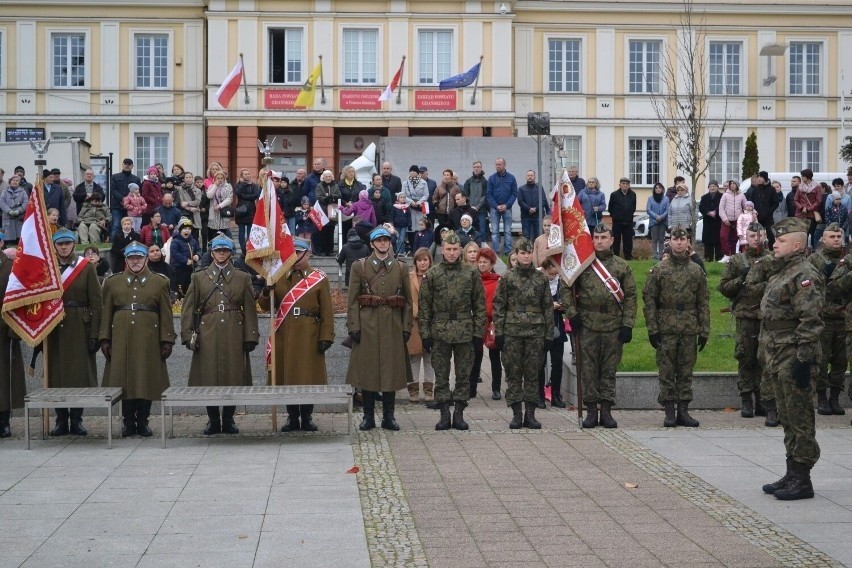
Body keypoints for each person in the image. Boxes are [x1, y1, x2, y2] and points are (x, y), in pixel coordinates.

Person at [759, 217, 824, 500]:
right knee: (787, 416)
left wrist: (804, 359)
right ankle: (791, 472)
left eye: (781, 240)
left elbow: (810, 320)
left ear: (797, 245)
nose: (775, 244)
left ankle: (803, 478)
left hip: (794, 354)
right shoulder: (781, 273)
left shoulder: (804, 275)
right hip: (777, 352)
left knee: (800, 418)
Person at [180, 235, 259, 435]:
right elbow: (189, 308)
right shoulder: (199, 277)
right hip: (207, 331)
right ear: (212, 253)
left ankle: (229, 419)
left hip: (234, 331)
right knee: (208, 376)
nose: (221, 253)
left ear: (231, 253)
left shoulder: (243, 277)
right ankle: (213, 420)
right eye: (218, 250)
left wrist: (251, 335)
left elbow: (249, 308)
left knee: (233, 375)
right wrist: (188, 334)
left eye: (225, 250)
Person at [100, 241, 176, 437]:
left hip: (148, 338)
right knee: (124, 380)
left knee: (145, 378)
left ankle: (143, 421)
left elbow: (166, 313)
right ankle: (127, 422)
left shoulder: (160, 282)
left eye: (139, 258)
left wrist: (167, 339)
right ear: (126, 260)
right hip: (120, 338)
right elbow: (106, 312)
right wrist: (105, 339)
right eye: (131, 258)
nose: (135, 261)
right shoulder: (112, 282)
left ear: (146, 259)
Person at [564, 224, 637, 427]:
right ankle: (590, 411)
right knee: (588, 370)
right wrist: (572, 315)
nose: (599, 241)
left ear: (612, 240)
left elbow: (630, 297)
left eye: (604, 237)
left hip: (613, 325)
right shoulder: (582, 264)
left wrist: (628, 324)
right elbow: (565, 288)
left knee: (608, 370)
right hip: (587, 325)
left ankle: (606, 410)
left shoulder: (621, 267)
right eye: (596, 237)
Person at [259, 237, 334, 432]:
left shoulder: (319, 278)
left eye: (300, 253)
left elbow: (327, 310)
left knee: (307, 376)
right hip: (285, 332)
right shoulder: (278, 276)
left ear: (308, 254)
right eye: (292, 253)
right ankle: (292, 417)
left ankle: (307, 416)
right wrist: (266, 292)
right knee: (287, 375)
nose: (296, 257)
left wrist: (326, 335)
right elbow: (266, 306)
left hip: (309, 332)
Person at [418, 230, 486, 430]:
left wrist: (478, 333)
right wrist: (425, 334)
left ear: (460, 250)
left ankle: (459, 413)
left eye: (455, 249)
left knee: (464, 375)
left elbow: (479, 304)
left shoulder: (471, 272)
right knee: (441, 374)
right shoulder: (432, 274)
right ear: (442, 249)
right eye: (448, 249)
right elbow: (424, 307)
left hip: (465, 330)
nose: (452, 253)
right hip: (440, 331)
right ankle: (444, 414)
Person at [346, 227, 413, 430]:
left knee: (390, 372)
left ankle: (389, 417)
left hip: (392, 323)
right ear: (372, 244)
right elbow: (352, 300)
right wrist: (354, 326)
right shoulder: (360, 267)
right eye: (379, 240)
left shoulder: (400, 268)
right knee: (368, 372)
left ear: (390, 243)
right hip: (368, 324)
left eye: (386, 240)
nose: (383, 244)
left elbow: (408, 301)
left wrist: (406, 326)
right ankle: (368, 417)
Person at [643, 225, 710, 427]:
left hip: (689, 327)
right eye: (675, 239)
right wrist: (652, 329)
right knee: (666, 370)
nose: (679, 243)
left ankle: (684, 410)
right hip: (666, 327)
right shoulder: (659, 270)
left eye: (683, 239)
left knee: (685, 370)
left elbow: (703, 302)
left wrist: (704, 330)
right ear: (669, 241)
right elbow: (649, 301)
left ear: (688, 242)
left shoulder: (696, 270)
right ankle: (669, 410)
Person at [45, 229, 103, 436]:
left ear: (73, 245)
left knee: (79, 375)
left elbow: (97, 302)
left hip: (80, 325)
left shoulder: (85, 267)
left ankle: (77, 419)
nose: (63, 247)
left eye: (67, 244)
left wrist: (95, 333)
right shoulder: (47, 267)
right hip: (54, 325)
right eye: (60, 244)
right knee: (56, 374)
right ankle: (60, 420)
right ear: (54, 246)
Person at [492, 237, 551, 429]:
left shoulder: (541, 277)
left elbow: (547, 307)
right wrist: (499, 332)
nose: (526, 257)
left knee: (533, 374)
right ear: (516, 255)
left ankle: (531, 415)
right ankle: (517, 414)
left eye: (528, 253)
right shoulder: (508, 278)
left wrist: (548, 334)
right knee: (514, 374)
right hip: (512, 332)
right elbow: (499, 305)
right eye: (522, 253)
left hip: (535, 332)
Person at [719, 222, 773, 418]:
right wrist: (740, 279)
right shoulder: (737, 261)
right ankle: (746, 398)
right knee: (745, 357)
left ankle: (762, 398)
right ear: (745, 238)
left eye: (759, 236)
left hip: (767, 316)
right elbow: (723, 287)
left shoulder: (772, 259)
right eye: (752, 236)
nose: (756, 239)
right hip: (745, 316)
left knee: (764, 359)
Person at [807, 223, 847, 416]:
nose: (836, 240)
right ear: (823, 239)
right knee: (821, 359)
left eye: (839, 236)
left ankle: (835, 397)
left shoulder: (847, 259)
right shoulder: (815, 260)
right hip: (823, 317)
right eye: (832, 237)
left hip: (844, 318)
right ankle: (821, 397)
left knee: (841, 361)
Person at [0, 228, 25, 438]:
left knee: (4, 377)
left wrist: (14, 329)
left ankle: (3, 420)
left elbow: (19, 301)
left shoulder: (11, 268)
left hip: (4, 329)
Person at [537, 258, 570, 409]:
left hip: (557, 325)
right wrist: (550, 304)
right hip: (540, 327)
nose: (552, 277)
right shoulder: (537, 280)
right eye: (550, 274)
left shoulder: (562, 282)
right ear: (544, 270)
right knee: (539, 362)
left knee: (557, 362)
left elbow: (569, 301)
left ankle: (556, 393)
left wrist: (562, 306)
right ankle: (539, 395)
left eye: (555, 274)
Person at [472, 248, 504, 400]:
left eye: (485, 262)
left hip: (493, 322)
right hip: (478, 322)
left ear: (492, 264)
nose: (482, 265)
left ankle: (496, 388)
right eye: (480, 262)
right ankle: (471, 388)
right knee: (475, 356)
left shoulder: (498, 280)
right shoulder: (473, 279)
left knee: (494, 356)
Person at [407, 248, 435, 403]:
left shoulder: (435, 275)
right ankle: (413, 390)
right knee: (414, 358)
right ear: (415, 262)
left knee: (430, 358)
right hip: (414, 322)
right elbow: (406, 298)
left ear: (430, 261)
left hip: (432, 322)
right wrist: (417, 311)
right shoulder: (408, 277)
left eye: (425, 260)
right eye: (420, 260)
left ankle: (429, 389)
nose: (423, 263)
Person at [487, 157, 518, 254]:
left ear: (504, 165)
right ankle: (495, 251)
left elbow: (514, 193)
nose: (497, 166)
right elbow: (489, 194)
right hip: (494, 208)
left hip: (507, 208)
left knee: (508, 231)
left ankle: (507, 251)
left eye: (499, 164)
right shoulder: (491, 178)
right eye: (496, 164)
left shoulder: (511, 178)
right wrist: (496, 206)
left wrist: (507, 205)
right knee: (495, 231)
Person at [746, 171, 783, 248]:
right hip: (757, 217)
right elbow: (751, 203)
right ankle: (758, 251)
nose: (759, 179)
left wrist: (768, 212)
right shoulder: (755, 190)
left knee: (771, 235)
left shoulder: (771, 189)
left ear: (765, 178)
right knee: (757, 235)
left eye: (761, 177)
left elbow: (775, 203)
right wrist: (754, 212)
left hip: (768, 217)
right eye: (758, 177)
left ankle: (772, 252)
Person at [109, 158, 140, 239]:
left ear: (132, 166)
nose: (127, 165)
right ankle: (113, 244)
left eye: (129, 164)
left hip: (131, 207)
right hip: (117, 206)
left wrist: (129, 201)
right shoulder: (115, 177)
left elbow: (138, 192)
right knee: (116, 225)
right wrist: (123, 199)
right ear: (122, 164)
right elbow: (113, 190)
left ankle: (131, 242)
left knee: (130, 225)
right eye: (125, 163)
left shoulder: (136, 179)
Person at [794, 168, 823, 250]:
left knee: (813, 233)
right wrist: (801, 207)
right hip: (801, 214)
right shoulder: (800, 187)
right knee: (802, 234)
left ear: (808, 177)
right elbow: (795, 200)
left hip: (811, 214)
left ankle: (814, 251)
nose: (802, 177)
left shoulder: (817, 187)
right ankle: (802, 251)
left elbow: (818, 201)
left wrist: (808, 209)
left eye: (803, 176)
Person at [609, 177, 637, 260]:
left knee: (628, 240)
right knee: (616, 240)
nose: (625, 185)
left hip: (628, 222)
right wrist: (615, 216)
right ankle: (615, 256)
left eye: (627, 184)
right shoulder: (614, 195)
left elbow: (633, 207)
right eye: (623, 184)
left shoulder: (633, 194)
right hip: (617, 222)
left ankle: (628, 256)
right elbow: (610, 208)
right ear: (619, 185)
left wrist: (629, 215)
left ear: (629, 185)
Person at [518, 170, 550, 240]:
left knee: (539, 236)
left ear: (535, 177)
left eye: (531, 175)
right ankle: (527, 251)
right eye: (528, 175)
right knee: (526, 237)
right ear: (526, 177)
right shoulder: (521, 189)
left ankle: (538, 250)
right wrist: (529, 209)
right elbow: (520, 201)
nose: (530, 177)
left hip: (538, 216)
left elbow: (543, 200)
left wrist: (535, 208)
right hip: (526, 216)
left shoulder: (539, 188)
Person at [402, 165, 429, 250]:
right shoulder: (405, 183)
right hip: (410, 207)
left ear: (417, 173)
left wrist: (419, 202)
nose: (412, 172)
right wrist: (411, 202)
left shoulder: (423, 182)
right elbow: (403, 195)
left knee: (419, 227)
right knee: (410, 228)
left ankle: (420, 247)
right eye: (411, 171)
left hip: (420, 208)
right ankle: (411, 246)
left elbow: (426, 194)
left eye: (414, 171)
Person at [719, 180, 746, 262]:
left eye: (734, 184)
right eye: (731, 184)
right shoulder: (725, 195)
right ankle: (727, 254)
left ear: (737, 185)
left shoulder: (741, 195)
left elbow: (746, 205)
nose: (732, 185)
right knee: (723, 236)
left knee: (735, 238)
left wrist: (753, 212)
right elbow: (721, 208)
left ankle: (733, 255)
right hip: (727, 220)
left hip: (738, 220)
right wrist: (725, 219)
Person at [462, 161, 489, 242]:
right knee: (469, 229)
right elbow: (465, 196)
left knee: (482, 230)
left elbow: (485, 196)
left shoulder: (485, 181)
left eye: (478, 167)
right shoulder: (468, 181)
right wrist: (471, 206)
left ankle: (483, 248)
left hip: (482, 210)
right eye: (475, 167)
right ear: (473, 168)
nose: (476, 168)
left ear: (481, 168)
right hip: (470, 210)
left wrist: (477, 206)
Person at [0, 175, 29, 246]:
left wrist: (19, 210)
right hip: (7, 219)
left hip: (18, 219)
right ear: (10, 182)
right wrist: (9, 211)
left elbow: (26, 203)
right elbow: (1, 203)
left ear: (19, 183)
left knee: (19, 241)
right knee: (7, 240)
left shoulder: (23, 192)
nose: (15, 182)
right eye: (13, 180)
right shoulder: (4, 192)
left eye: (17, 181)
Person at [699, 180, 724, 261]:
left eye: (714, 186)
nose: (712, 188)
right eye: (710, 186)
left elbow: (722, 206)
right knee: (708, 240)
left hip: (718, 221)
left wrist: (715, 212)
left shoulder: (722, 196)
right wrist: (708, 212)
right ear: (708, 188)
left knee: (718, 240)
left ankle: (719, 257)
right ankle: (708, 257)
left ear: (717, 187)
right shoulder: (704, 197)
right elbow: (701, 207)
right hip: (708, 221)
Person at [206, 170, 233, 243]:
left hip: (223, 212)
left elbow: (229, 199)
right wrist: (215, 186)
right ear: (215, 179)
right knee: (212, 233)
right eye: (218, 178)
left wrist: (220, 206)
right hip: (214, 213)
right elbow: (209, 196)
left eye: (221, 178)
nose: (220, 180)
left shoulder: (228, 186)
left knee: (223, 233)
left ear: (224, 179)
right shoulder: (211, 186)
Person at [646, 182, 669, 261]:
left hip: (663, 221)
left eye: (659, 188)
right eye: (656, 188)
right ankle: (654, 255)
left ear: (662, 189)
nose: (658, 189)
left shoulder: (666, 199)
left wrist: (661, 217)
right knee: (654, 239)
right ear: (654, 189)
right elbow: (648, 210)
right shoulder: (650, 198)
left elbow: (667, 210)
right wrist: (656, 216)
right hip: (653, 222)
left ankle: (661, 255)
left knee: (661, 239)